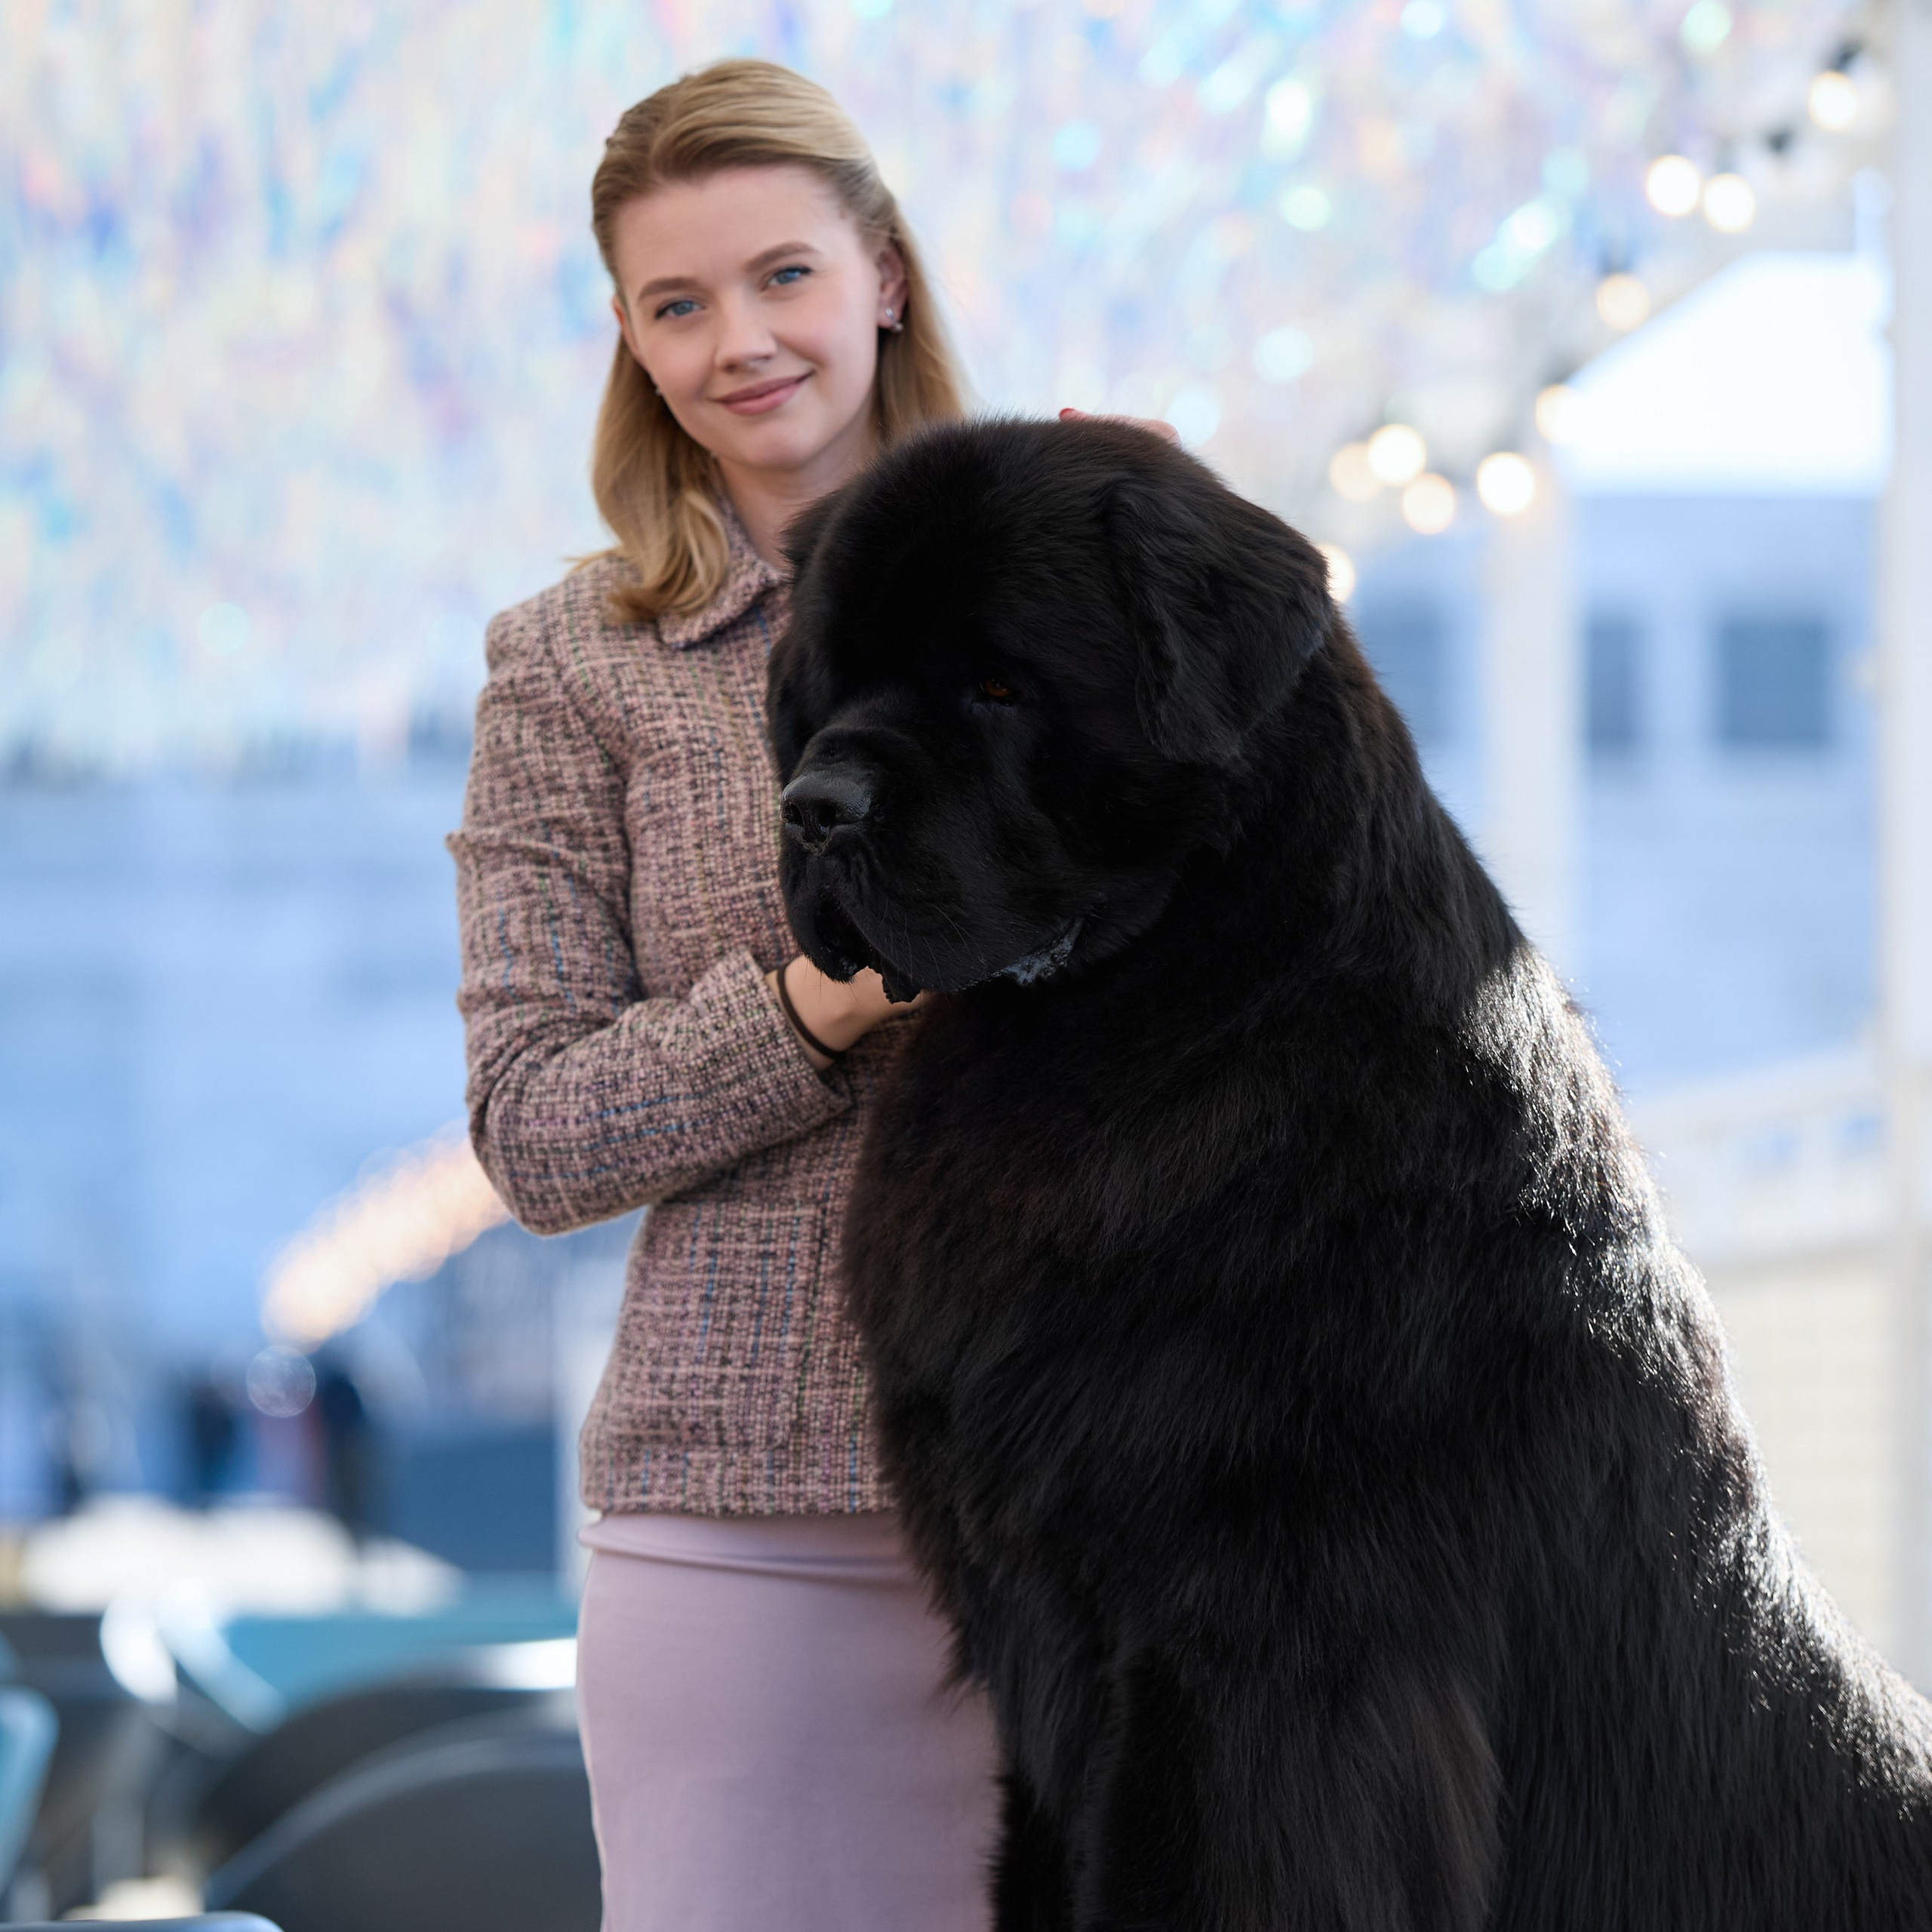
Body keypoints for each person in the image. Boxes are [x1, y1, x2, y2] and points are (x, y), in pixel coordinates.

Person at [449, 60, 995, 1932]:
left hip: (1111, 1472)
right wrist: (813, 1006)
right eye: (675, 302)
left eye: (781, 275)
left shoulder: (1072, 568)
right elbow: (531, 1127)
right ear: (625, 334)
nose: (738, 340)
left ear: (885, 278)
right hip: (744, 1521)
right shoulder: (569, 664)